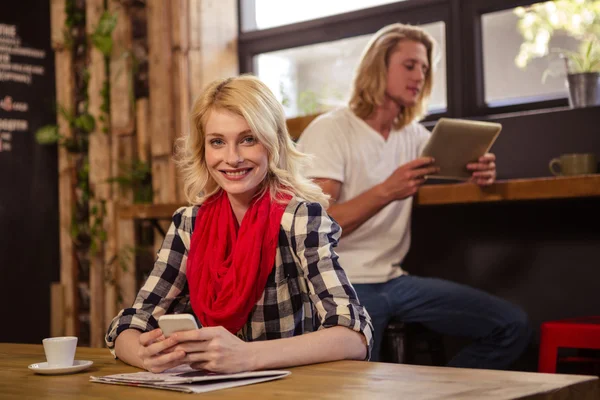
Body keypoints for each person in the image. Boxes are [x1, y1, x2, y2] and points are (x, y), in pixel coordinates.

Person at [296, 23, 531, 369]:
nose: (419, 76)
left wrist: (481, 175)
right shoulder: (332, 130)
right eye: (409, 65)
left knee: (512, 325)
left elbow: (459, 175)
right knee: (357, 381)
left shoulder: (415, 137)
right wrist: (387, 190)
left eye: (424, 68)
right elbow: (316, 227)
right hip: (342, 282)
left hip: (394, 280)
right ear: (379, 67)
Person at [106, 75, 373, 373]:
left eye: (248, 139)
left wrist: (248, 356)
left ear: (273, 143)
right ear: (203, 149)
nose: (231, 158)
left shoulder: (300, 218)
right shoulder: (189, 223)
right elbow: (129, 323)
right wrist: (143, 355)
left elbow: (354, 336)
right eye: (217, 142)